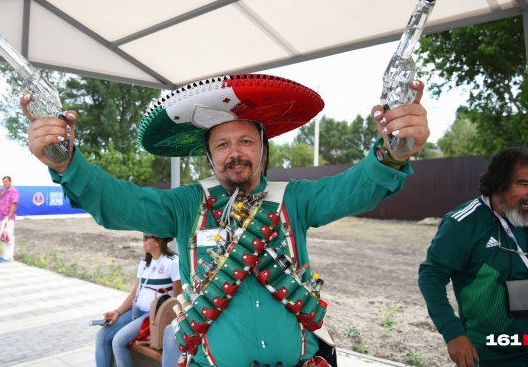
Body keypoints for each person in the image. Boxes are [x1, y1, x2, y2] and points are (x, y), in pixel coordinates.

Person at [22, 73, 430, 366]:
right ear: (210, 156)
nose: (235, 152)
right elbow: (120, 202)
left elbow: (354, 187)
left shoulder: (296, 200)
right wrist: (68, 162)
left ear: (264, 151)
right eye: (222, 143)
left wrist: (392, 152)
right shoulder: (186, 205)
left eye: (246, 140)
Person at [418, 147, 528, 367]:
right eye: (524, 184)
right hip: (493, 355)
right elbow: (431, 276)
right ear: (498, 184)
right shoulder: (463, 223)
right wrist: (452, 333)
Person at [96, 233, 182, 367]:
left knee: (118, 341)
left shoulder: (172, 262)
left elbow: (178, 296)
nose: (143, 241)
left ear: (158, 241)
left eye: (146, 237)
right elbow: (133, 294)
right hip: (136, 311)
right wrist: (117, 312)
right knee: (102, 336)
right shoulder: (144, 262)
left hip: (152, 316)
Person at [0, 175, 19, 262]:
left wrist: (9, 217)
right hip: (2, 216)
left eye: (6, 182)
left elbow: (14, 204)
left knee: (9, 236)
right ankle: (5, 254)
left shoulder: (14, 191)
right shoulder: (4, 192)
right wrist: (0, 192)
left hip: (8, 217)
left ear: (10, 181)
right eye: (3, 182)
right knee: (3, 236)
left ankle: (9, 256)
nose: (4, 184)